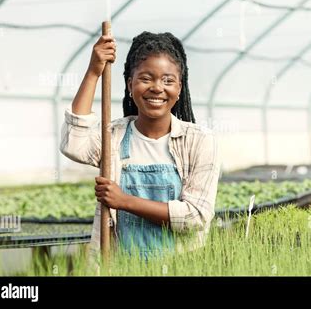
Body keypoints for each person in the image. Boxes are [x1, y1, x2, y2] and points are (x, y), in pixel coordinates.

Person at [60, 31, 221, 262]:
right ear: (130, 84)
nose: (157, 88)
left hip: (181, 265)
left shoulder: (200, 141)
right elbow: (73, 143)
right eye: (146, 78)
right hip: (120, 265)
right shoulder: (112, 136)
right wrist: (94, 71)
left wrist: (124, 201)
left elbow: (195, 216)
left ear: (179, 88)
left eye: (168, 80)